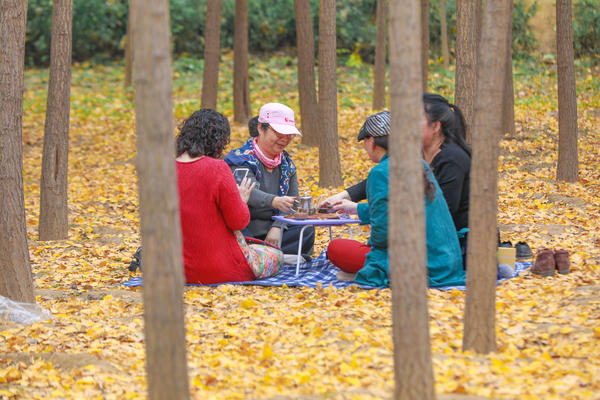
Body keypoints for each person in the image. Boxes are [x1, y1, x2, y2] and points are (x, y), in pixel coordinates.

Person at [322, 93, 471, 261]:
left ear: (435, 126)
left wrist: (363, 211)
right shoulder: (420, 155)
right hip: (419, 241)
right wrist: (344, 196)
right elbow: (390, 174)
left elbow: (438, 215)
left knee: (340, 249)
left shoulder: (452, 159)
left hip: (450, 247)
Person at [176, 109, 283, 284]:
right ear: (218, 140)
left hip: (177, 269)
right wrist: (242, 200)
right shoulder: (217, 168)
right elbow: (238, 222)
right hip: (221, 269)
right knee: (276, 255)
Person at [224, 103, 315, 257]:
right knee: (236, 234)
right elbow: (249, 193)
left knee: (306, 230)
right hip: (248, 228)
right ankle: (271, 256)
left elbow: (293, 202)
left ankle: (272, 256)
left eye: (289, 135)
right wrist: (274, 201)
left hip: (277, 231)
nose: (285, 139)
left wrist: (278, 226)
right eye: (279, 133)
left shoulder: (287, 164)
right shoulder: (241, 159)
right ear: (261, 128)